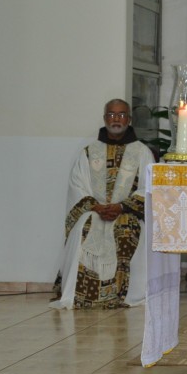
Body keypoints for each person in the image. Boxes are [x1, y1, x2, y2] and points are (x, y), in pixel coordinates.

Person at [51, 99, 155, 309]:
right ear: (105, 118)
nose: (116, 119)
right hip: (94, 211)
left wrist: (122, 206)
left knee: (125, 230)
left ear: (129, 119)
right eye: (112, 115)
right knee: (86, 228)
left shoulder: (142, 152)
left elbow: (149, 187)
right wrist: (96, 207)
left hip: (127, 212)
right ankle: (82, 295)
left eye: (121, 115)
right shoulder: (89, 151)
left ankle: (121, 295)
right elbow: (77, 185)